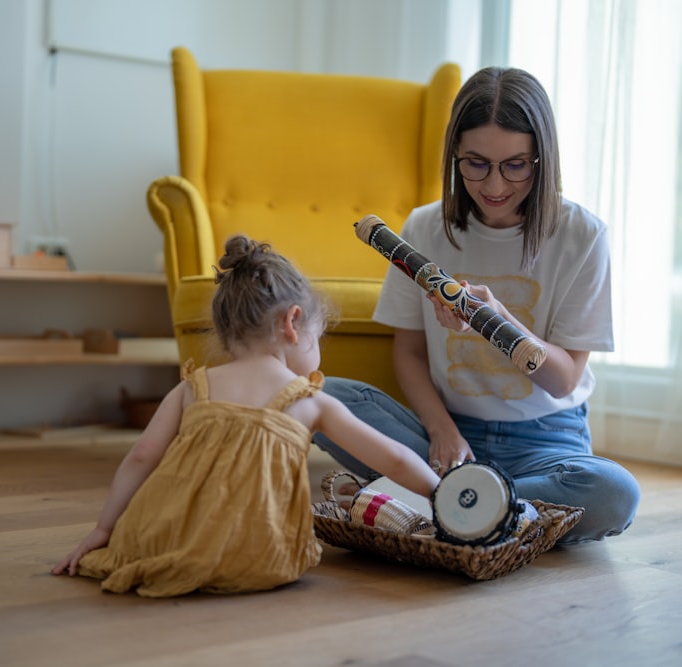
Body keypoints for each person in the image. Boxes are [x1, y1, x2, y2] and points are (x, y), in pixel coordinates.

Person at [314, 66, 641, 544]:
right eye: (476, 163)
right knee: (320, 398)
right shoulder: (425, 227)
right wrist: (442, 430)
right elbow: (408, 354)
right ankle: (490, 512)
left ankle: (434, 503)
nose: (494, 185)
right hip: (447, 435)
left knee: (613, 494)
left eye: (515, 164)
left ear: (542, 159)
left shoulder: (582, 236)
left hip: (546, 442)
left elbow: (562, 378)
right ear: (455, 156)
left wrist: (497, 320)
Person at [51, 235, 440, 596]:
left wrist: (105, 529)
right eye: (317, 337)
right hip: (261, 555)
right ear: (292, 323)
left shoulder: (192, 386)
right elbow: (395, 459)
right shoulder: (309, 401)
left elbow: (141, 457)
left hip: (167, 538)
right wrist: (443, 497)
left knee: (151, 532)